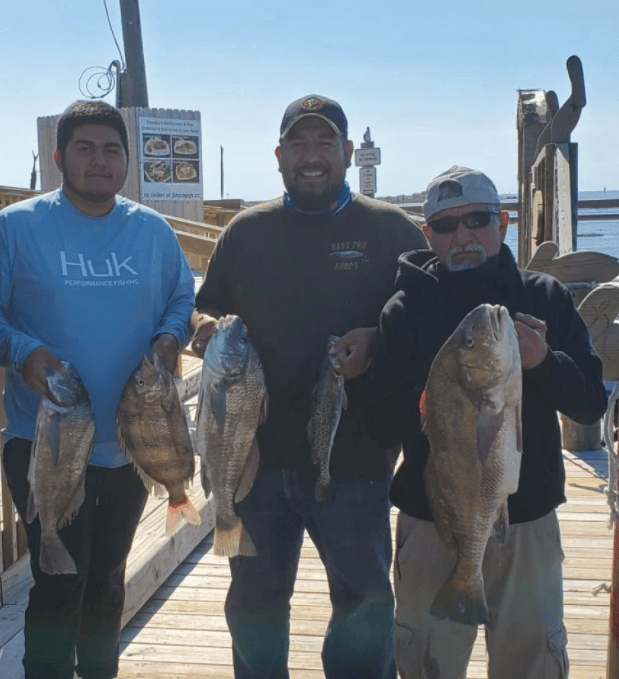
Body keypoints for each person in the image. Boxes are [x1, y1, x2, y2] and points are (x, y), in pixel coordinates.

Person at [190, 94, 427, 679]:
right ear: (278, 156)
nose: (312, 156)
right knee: (256, 604)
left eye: (325, 143)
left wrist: (377, 336)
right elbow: (203, 312)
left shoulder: (390, 228)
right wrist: (203, 330)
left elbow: (427, 323)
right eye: (299, 144)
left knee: (364, 603)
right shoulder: (246, 232)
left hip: (358, 457)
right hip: (255, 457)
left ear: (349, 153)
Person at [341, 166, 608, 679]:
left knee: (532, 662)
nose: (462, 236)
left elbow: (592, 404)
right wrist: (432, 403)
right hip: (430, 519)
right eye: (444, 226)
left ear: (504, 222)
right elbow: (378, 425)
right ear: (428, 236)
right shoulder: (404, 309)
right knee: (426, 663)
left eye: (477, 220)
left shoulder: (544, 296)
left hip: (526, 518)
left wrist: (543, 362)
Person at [0, 100, 195, 679]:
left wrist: (169, 338)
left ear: (126, 160)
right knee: (60, 583)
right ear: (59, 158)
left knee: (106, 577)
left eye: (111, 149)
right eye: (84, 148)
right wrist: (24, 351)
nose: (99, 161)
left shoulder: (152, 230)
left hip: (130, 445)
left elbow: (182, 296)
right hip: (45, 443)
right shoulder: (13, 228)